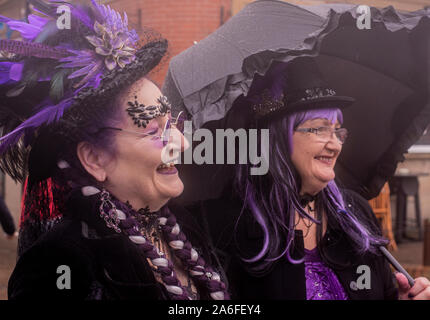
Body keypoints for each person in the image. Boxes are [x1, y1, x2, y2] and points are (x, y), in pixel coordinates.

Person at [0, 1, 228, 300]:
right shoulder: (61, 264)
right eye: (153, 130)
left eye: (173, 123)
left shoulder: (183, 226)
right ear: (95, 158)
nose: (181, 143)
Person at [185, 57, 430, 300]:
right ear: (277, 139)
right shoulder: (227, 225)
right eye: (319, 129)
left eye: (337, 131)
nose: (335, 144)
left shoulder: (355, 213)